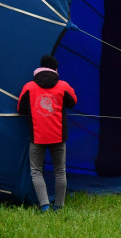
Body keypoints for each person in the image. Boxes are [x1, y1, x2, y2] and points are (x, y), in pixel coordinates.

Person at [18, 54, 77, 212]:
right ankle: (59, 206)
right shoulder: (63, 86)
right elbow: (73, 102)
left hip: (37, 137)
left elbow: (20, 109)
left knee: (36, 171)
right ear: (56, 69)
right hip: (58, 137)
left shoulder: (29, 87)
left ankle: (44, 206)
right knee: (60, 171)